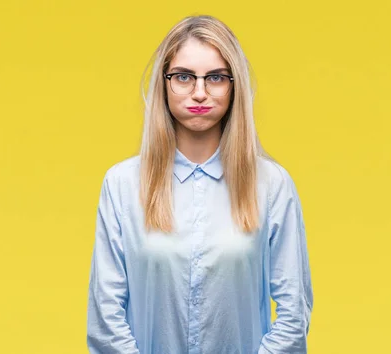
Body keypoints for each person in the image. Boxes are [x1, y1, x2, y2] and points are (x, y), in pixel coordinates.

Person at [86, 15, 313, 354]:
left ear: (234, 85)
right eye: (184, 77)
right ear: (164, 83)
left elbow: (294, 315)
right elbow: (106, 318)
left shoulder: (272, 185)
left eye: (216, 78)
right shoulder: (121, 184)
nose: (200, 93)